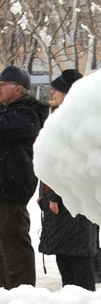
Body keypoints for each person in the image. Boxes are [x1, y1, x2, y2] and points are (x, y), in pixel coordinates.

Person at [37, 69, 98, 290]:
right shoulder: (61, 117)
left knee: (78, 261)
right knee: (67, 258)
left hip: (70, 202)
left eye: (58, 88)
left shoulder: (78, 122)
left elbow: (73, 164)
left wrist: (54, 195)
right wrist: (42, 193)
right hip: (61, 202)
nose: (53, 91)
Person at [0, 65, 48, 288]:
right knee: (4, 245)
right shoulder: (9, 111)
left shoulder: (28, 113)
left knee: (15, 244)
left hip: (12, 189)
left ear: (18, 88)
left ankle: (23, 292)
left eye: (2, 85)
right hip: (5, 188)